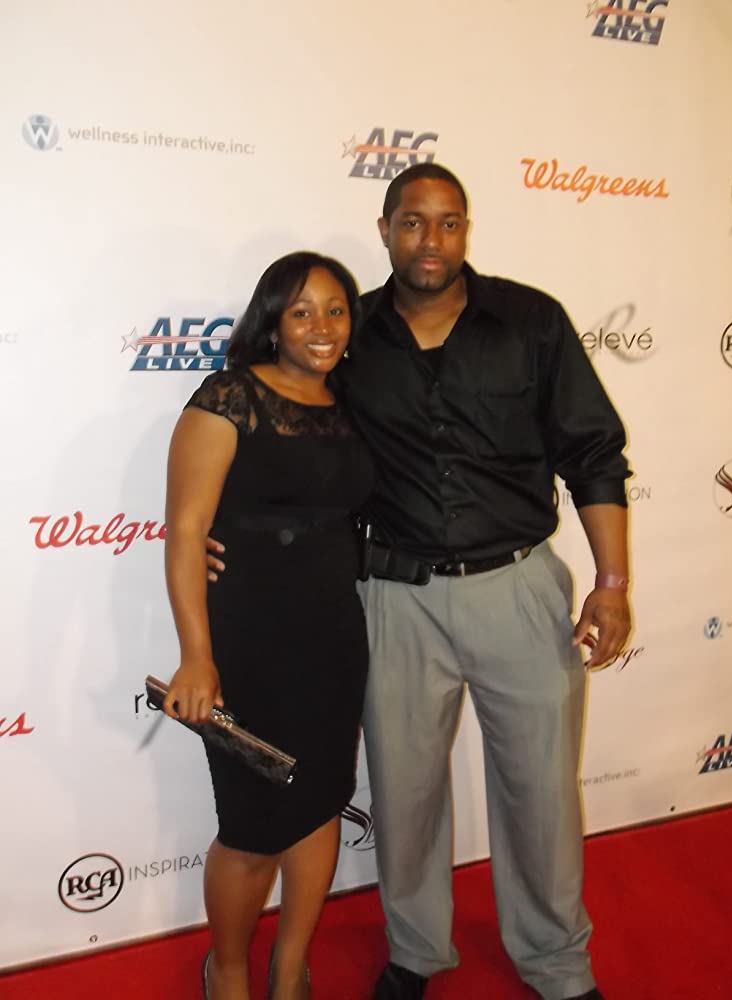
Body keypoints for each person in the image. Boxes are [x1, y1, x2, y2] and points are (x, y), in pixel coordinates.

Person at [208, 164, 631, 1000]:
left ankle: (555, 960)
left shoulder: (532, 321)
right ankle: (415, 950)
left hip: (517, 589)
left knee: (542, 791)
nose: (430, 240)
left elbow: (593, 453)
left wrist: (611, 581)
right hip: (394, 597)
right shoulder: (347, 335)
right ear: (385, 229)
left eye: (447, 222)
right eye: (412, 222)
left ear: (466, 228)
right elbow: (280, 435)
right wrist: (216, 538)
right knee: (404, 794)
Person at [163, 251, 373, 1000]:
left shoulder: (353, 402)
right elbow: (186, 532)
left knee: (318, 804)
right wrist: (197, 656)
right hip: (247, 643)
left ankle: (289, 968)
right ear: (273, 321)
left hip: (334, 638)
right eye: (302, 311)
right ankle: (226, 966)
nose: (322, 327)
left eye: (336, 310)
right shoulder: (229, 396)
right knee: (252, 828)